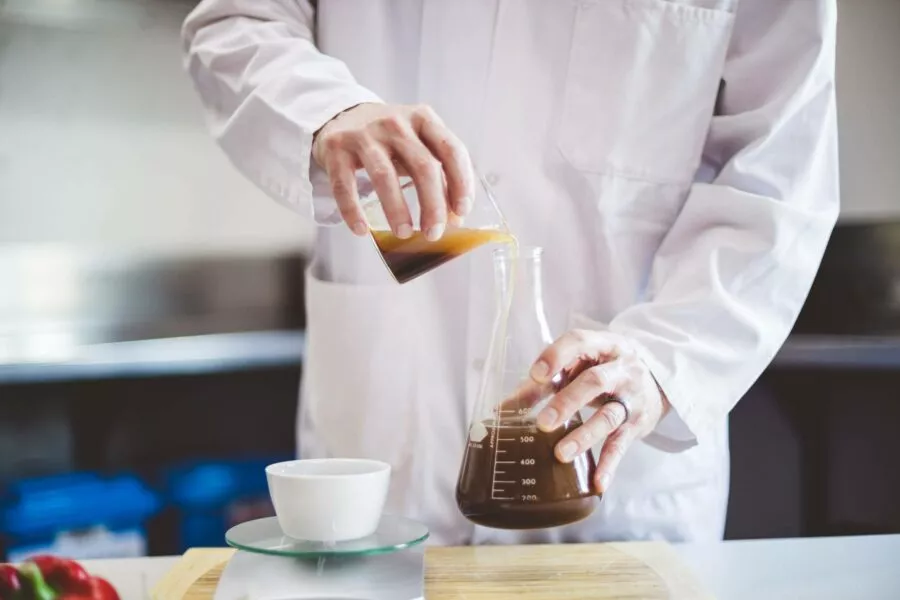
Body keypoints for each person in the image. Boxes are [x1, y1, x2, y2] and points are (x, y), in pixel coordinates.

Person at [181, 0, 839, 545]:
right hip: (387, 439)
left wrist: (668, 361)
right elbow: (236, 22)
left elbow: (781, 169)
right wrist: (324, 110)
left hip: (618, 476)